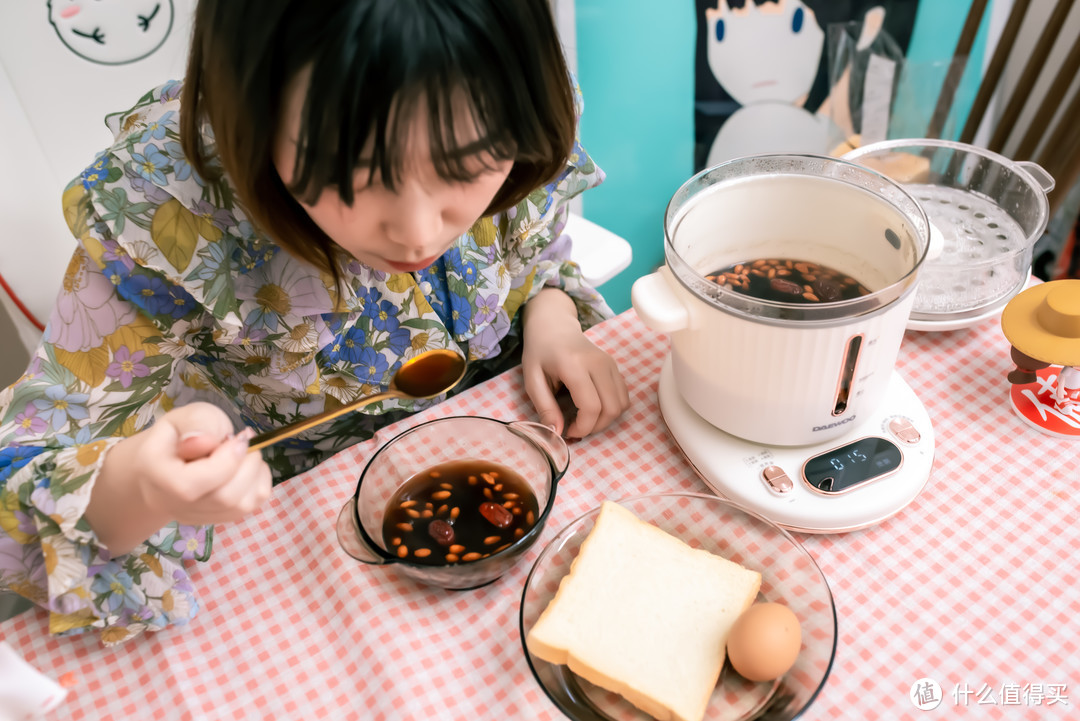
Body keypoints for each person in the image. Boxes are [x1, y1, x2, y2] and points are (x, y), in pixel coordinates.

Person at [0, 0, 629, 645]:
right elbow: (18, 477)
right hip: (306, 539)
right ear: (251, 116)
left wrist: (552, 313)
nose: (417, 232)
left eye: (467, 164)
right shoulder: (167, 212)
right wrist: (137, 487)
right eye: (350, 174)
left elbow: (535, 253)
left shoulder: (505, 88)